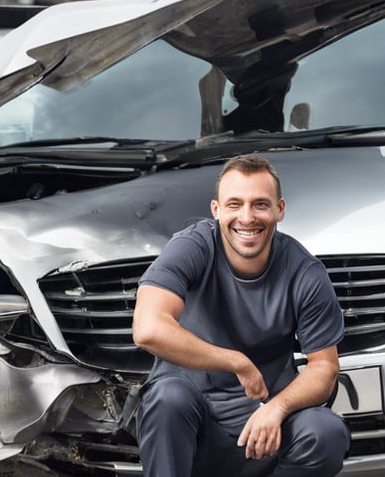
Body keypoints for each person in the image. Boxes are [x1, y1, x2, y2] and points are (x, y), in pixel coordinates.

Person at [132, 154, 350, 476]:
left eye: (260, 204)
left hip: (262, 427)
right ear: (216, 210)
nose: (247, 218)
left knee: (325, 432)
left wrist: (278, 407)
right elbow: (148, 329)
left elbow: (325, 367)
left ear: (280, 210)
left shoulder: (304, 272)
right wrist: (236, 361)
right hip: (190, 425)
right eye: (234, 205)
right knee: (168, 398)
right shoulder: (194, 247)